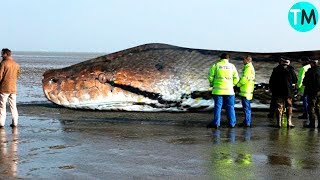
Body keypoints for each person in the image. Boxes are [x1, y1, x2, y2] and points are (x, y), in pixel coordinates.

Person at [207, 53, 239, 128]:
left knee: (218, 107)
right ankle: (232, 123)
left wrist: (213, 84)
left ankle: (216, 124)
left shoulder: (216, 65)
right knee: (230, 107)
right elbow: (236, 78)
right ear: (228, 59)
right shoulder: (232, 66)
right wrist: (232, 85)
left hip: (218, 91)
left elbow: (210, 77)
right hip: (229, 91)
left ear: (220, 58)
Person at [269, 57, 297, 128]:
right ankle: (289, 122)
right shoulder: (291, 70)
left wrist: (272, 90)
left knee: (279, 107)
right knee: (289, 106)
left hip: (278, 92)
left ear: (281, 62)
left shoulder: (276, 70)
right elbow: (295, 80)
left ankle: (279, 123)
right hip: (288, 93)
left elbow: (271, 81)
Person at [0, 48, 20, 128]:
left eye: (2, 53)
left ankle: (1, 123)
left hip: (4, 88)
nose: (1, 55)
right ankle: (15, 123)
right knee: (13, 106)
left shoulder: (3, 63)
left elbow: (0, 76)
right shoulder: (16, 64)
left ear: (5, 54)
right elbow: (17, 76)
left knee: (2, 106)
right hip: (13, 88)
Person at [236, 55, 255, 127]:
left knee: (246, 108)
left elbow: (245, 79)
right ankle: (246, 121)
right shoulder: (249, 67)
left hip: (246, 91)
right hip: (247, 91)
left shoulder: (248, 68)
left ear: (247, 60)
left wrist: (237, 85)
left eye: (243, 60)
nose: (242, 61)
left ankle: (247, 122)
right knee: (247, 107)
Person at [302, 59, 320, 128]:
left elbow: (304, 82)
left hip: (311, 92)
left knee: (311, 107)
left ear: (312, 63)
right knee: (318, 107)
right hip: (319, 92)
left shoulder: (310, 72)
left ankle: (312, 124)